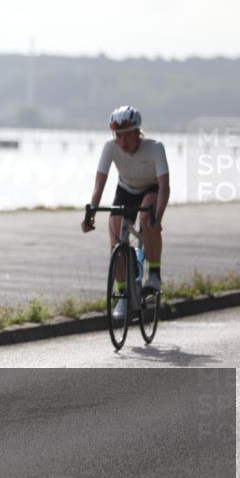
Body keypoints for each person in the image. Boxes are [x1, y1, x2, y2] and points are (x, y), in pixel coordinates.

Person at [82, 106, 170, 319]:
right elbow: (99, 185)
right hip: (126, 190)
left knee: (147, 218)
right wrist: (90, 213)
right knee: (115, 238)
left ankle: (154, 274)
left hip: (151, 189)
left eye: (128, 135)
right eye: (118, 136)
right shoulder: (110, 148)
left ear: (138, 132)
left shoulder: (155, 148)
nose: (122, 142)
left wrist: (158, 217)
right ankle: (122, 295)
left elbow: (164, 187)